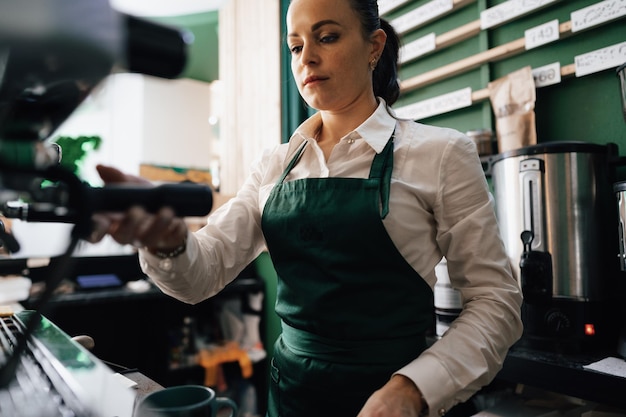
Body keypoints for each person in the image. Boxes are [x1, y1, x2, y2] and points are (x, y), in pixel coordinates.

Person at [90, 0, 523, 416]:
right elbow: (204, 272)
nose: (307, 58)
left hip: (392, 396)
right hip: (291, 395)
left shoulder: (440, 153)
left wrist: (413, 389)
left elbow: (495, 301)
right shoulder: (275, 165)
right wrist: (169, 242)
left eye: (328, 37)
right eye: (296, 46)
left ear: (374, 47)